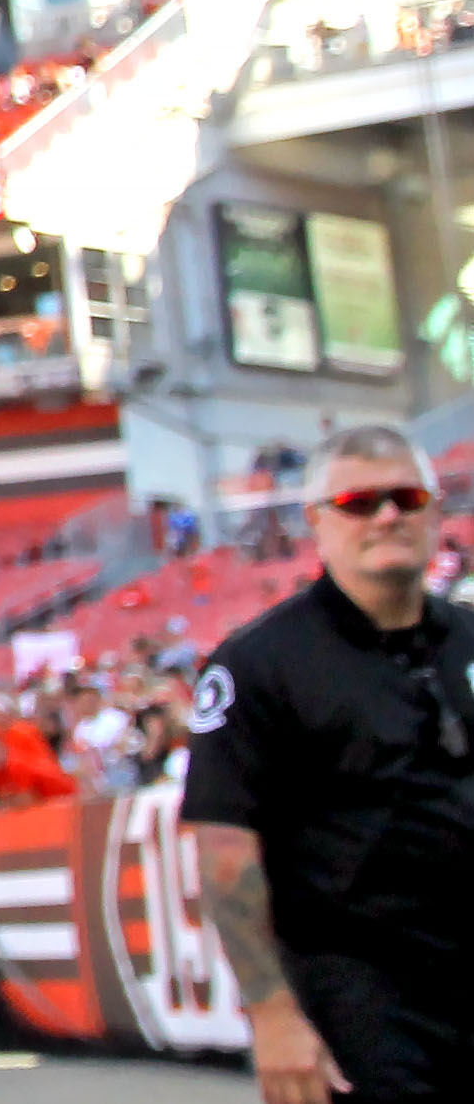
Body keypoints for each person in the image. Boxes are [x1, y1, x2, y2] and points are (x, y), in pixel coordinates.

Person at [182, 422, 474, 1104]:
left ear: (434, 510)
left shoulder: (465, 637)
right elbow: (223, 848)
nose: (386, 517)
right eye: (358, 503)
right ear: (315, 520)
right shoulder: (257, 664)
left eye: (404, 498)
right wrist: (272, 1015)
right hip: (356, 993)